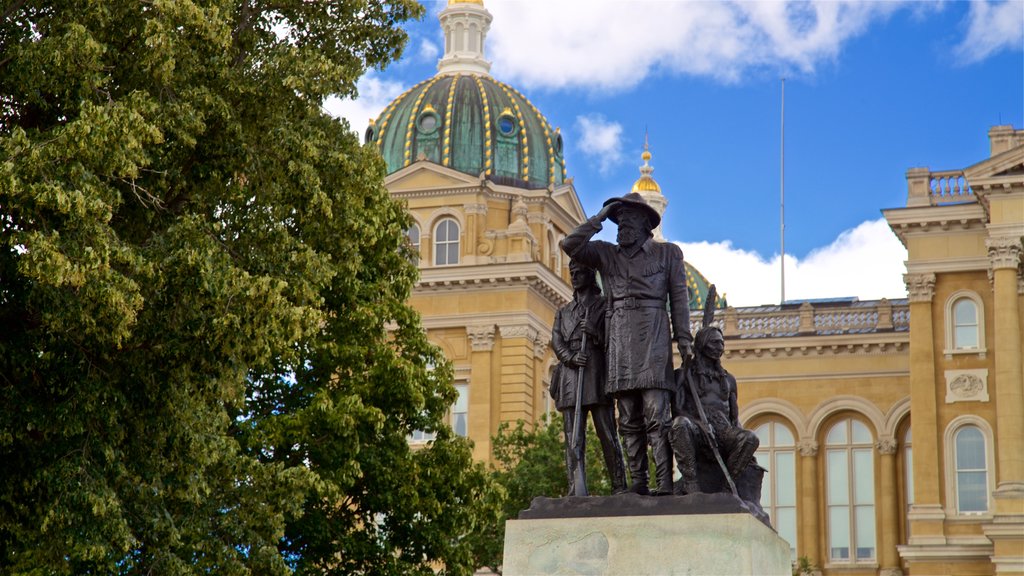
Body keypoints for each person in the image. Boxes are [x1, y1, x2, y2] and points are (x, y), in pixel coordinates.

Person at [560, 192, 692, 495]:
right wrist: (600, 217)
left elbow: (679, 298)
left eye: (628, 220)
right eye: (618, 222)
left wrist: (683, 338)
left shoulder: (668, 253)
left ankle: (663, 483)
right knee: (628, 418)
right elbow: (571, 246)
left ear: (646, 224)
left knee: (657, 415)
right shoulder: (608, 254)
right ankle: (638, 483)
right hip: (619, 335)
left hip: (653, 332)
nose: (621, 227)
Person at [550, 260, 627, 496]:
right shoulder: (563, 312)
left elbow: (615, 339)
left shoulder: (604, 306)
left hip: (596, 371)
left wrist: (595, 333)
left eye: (579, 272)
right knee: (574, 437)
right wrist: (571, 357)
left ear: (590, 275)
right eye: (572, 273)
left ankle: (619, 485)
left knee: (607, 432)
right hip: (571, 375)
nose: (574, 276)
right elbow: (556, 341)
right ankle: (576, 487)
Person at [670, 326, 759, 495]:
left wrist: (745, 449)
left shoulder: (729, 380)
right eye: (715, 343)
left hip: (723, 430)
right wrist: (700, 424)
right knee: (679, 425)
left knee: (750, 438)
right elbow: (677, 410)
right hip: (696, 429)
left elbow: (734, 418)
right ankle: (691, 483)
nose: (720, 347)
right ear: (702, 345)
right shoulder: (684, 375)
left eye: (722, 343)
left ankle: (726, 488)